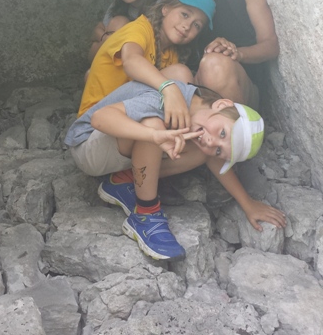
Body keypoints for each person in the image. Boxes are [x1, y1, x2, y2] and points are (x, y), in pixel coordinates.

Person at [65, 79, 286, 261]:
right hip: (88, 147)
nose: (211, 142)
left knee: (201, 152)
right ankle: (145, 214)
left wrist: (248, 204)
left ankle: (122, 181)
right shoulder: (170, 101)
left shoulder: (201, 124)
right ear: (221, 105)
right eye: (221, 134)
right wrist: (153, 136)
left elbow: (214, 161)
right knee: (154, 125)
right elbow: (99, 118)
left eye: (220, 150)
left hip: (119, 151)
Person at [77, 0, 216, 133]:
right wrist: (169, 88)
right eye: (185, 14)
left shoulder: (172, 53)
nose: (187, 26)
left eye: (196, 25)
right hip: (96, 122)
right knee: (180, 75)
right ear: (165, 9)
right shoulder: (140, 28)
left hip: (130, 118)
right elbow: (131, 61)